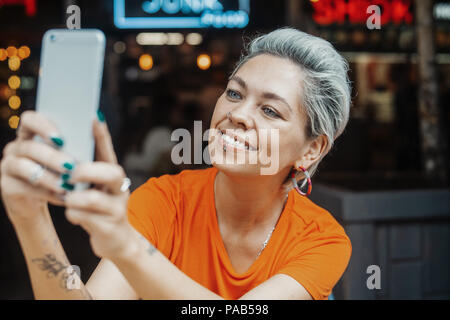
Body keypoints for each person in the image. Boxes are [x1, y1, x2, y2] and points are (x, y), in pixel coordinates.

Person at [0, 28, 352, 300]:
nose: (238, 115)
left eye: (270, 110)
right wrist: (31, 218)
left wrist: (128, 247)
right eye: (234, 93)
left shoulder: (322, 241)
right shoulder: (164, 201)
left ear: (312, 149)